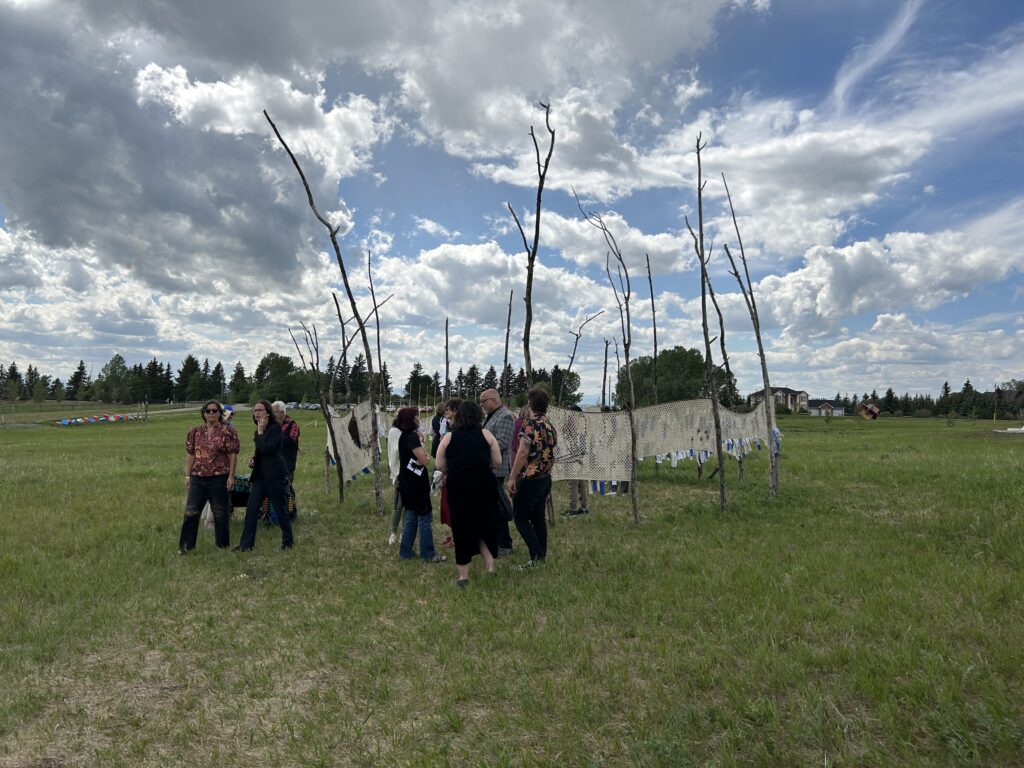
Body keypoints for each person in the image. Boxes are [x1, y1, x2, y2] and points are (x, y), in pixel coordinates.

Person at [436, 400, 502, 587]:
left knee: (462, 527)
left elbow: (440, 465)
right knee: (485, 524)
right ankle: (490, 568)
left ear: (458, 416)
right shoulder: (487, 435)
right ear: (478, 416)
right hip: (484, 483)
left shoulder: (449, 438)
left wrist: (457, 466)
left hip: (459, 485)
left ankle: (463, 577)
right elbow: (497, 461)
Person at [179, 400, 239, 553]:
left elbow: (232, 454)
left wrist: (231, 476)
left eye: (214, 411)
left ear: (220, 413)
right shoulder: (195, 432)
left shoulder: (227, 431)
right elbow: (191, 454)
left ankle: (222, 546)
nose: (211, 413)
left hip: (219, 478)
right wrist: (187, 476)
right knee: (191, 512)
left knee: (220, 513)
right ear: (203, 413)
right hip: (198, 478)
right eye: (208, 411)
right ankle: (186, 547)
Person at [507, 388, 557, 567]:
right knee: (538, 518)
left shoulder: (529, 424)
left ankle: (536, 555)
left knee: (520, 518)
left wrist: (512, 477)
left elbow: (522, 452)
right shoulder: (549, 425)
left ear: (529, 404)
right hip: (545, 478)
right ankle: (541, 556)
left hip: (530, 478)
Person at [235, 400, 294, 551]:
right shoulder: (258, 431)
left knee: (280, 510)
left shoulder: (275, 429)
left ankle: (288, 542)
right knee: (252, 510)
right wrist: (254, 460)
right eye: (255, 410)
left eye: (260, 410)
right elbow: (262, 452)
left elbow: (268, 449)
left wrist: (261, 433)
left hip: (275, 476)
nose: (257, 413)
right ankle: (245, 545)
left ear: (268, 412)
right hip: (260, 478)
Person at [396, 406, 445, 563]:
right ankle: (428, 554)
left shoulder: (405, 436)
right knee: (424, 516)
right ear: (411, 419)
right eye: (417, 417)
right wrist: (426, 457)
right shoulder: (411, 437)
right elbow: (424, 460)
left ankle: (405, 551)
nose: (419, 419)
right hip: (416, 484)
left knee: (411, 516)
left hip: (407, 482)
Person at [479, 388, 516, 555]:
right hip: (488, 468)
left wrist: (479, 449)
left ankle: (504, 543)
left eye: (483, 402)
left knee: (498, 508)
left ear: (493, 399)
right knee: (491, 508)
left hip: (497, 469)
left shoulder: (505, 416)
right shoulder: (493, 415)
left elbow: (501, 443)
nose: (482, 406)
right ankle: (495, 540)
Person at [272, 401, 300, 520]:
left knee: (287, 489)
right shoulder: (271, 424)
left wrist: (274, 434)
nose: (272, 414)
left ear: (282, 412)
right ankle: (274, 515)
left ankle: (292, 513)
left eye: (275, 412)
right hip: (273, 464)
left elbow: (288, 439)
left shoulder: (292, 424)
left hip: (287, 464)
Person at [563, 405, 590, 517]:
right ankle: (584, 508)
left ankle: (573, 510)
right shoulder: (583, 424)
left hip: (575, 457)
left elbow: (569, 440)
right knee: (581, 484)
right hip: (581, 457)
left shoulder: (575, 425)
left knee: (573, 484)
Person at [386, 415, 403, 545]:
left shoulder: (405, 432)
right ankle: (393, 533)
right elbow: (395, 451)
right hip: (400, 472)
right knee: (398, 505)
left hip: (408, 473)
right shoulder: (394, 432)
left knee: (406, 506)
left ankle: (403, 533)